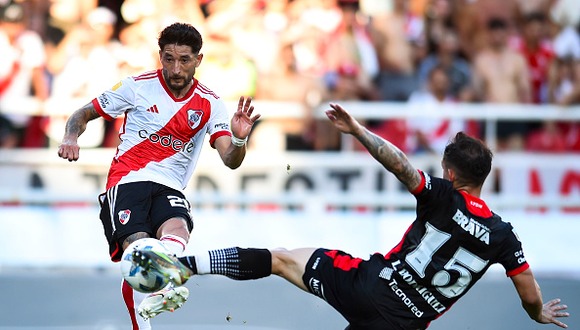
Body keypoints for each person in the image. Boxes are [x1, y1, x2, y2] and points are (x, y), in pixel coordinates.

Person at [130, 103, 569, 330]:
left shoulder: (441, 196)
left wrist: (359, 131)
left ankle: (182, 266)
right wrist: (538, 316)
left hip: (369, 287)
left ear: (450, 173)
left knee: (281, 259)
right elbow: (528, 293)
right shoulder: (502, 236)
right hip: (405, 325)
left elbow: (399, 164)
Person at [57, 22, 260, 330]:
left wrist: (241, 139)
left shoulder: (210, 103)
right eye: (168, 58)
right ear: (160, 56)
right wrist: (71, 137)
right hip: (127, 182)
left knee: (177, 230)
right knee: (139, 250)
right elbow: (82, 113)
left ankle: (162, 285)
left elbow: (230, 160)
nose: (176, 68)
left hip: (169, 186)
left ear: (199, 60)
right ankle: (161, 291)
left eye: (184, 60)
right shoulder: (137, 86)